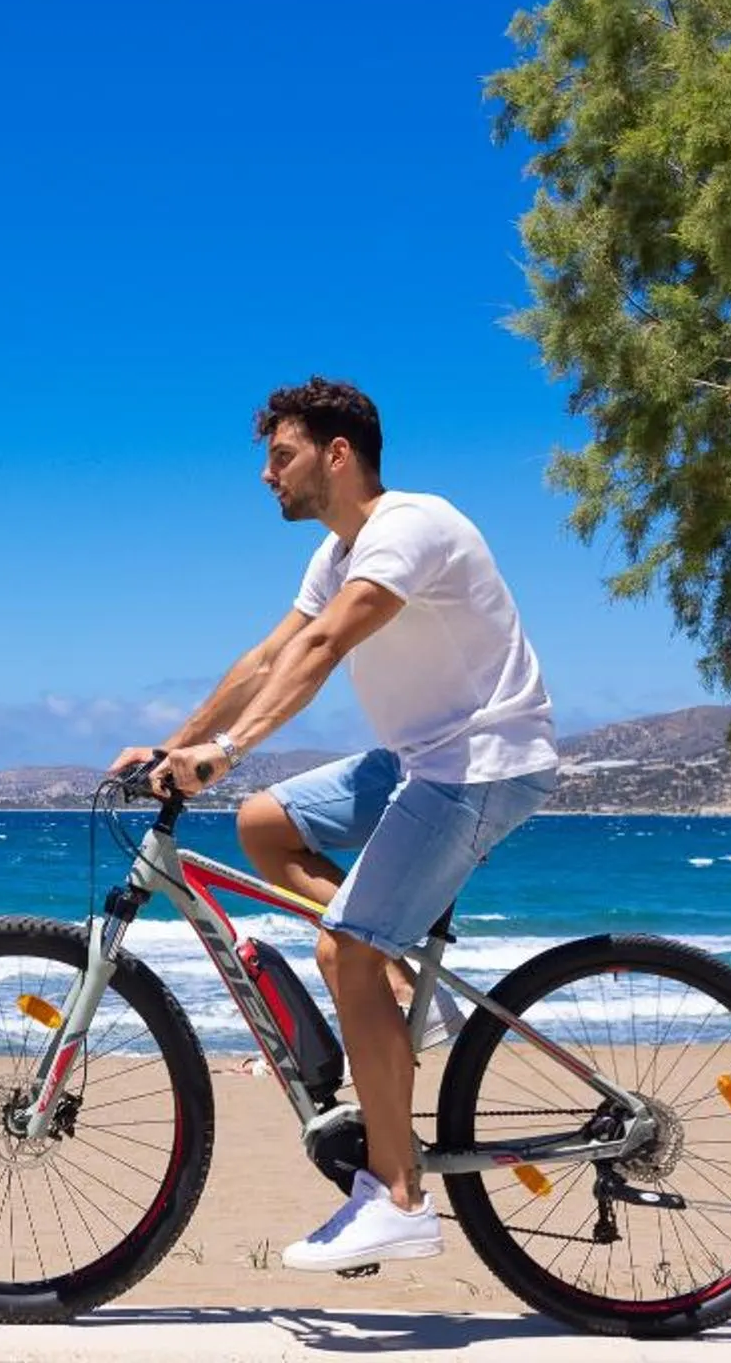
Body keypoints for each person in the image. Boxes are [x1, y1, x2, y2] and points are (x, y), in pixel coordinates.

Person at [111, 377, 558, 1274]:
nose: (267, 476)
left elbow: (323, 649)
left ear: (337, 452)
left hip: (482, 764)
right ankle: (392, 987)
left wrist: (226, 748)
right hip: (417, 758)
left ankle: (396, 1197)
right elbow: (270, 652)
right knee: (264, 823)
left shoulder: (409, 528)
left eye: (281, 457)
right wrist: (175, 744)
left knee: (343, 950)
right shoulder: (336, 551)